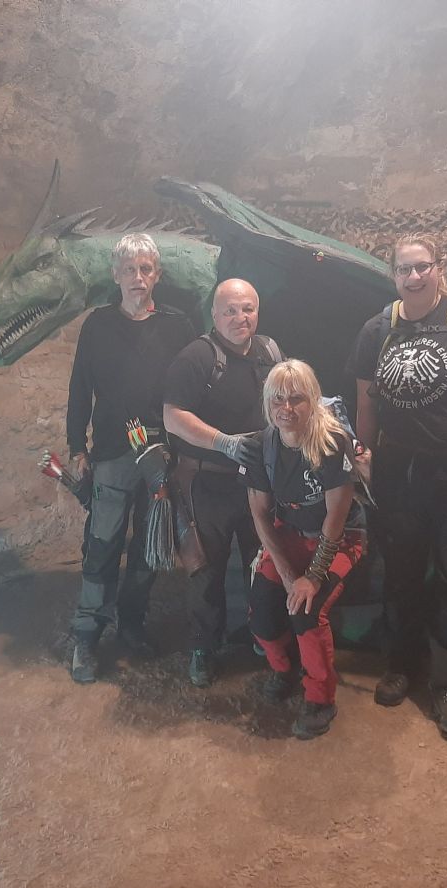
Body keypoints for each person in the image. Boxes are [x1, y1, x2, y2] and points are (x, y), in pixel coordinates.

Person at [347, 233, 447, 744]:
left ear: (439, 268)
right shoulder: (377, 329)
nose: (414, 277)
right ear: (393, 274)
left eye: (422, 267)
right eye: (404, 269)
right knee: (400, 572)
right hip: (397, 472)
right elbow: (366, 404)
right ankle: (401, 664)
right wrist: (363, 457)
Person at [66, 233, 196, 684]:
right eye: (129, 269)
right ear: (115, 275)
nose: (137, 277)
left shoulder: (179, 326)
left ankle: (132, 623)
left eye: (145, 269)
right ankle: (87, 634)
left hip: (160, 455)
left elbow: (191, 391)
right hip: (110, 453)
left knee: (149, 545)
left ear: (156, 274)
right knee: (101, 546)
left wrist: (189, 452)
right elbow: (80, 387)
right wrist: (77, 446)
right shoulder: (98, 325)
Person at [162, 278, 280, 687]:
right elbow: (172, 417)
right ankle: (204, 648)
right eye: (229, 310)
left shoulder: (269, 352)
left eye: (247, 309)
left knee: (261, 564)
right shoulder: (196, 357)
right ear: (214, 315)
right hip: (207, 484)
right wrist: (223, 443)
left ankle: (263, 636)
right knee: (206, 570)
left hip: (257, 481)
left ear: (257, 312)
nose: (239, 317)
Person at [243, 359, 364, 739]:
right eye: (278, 399)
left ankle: (320, 697)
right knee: (262, 607)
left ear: (312, 399)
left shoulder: (331, 442)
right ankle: (285, 669)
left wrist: (311, 577)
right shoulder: (260, 445)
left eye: (297, 398)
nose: (287, 408)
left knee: (307, 611)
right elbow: (260, 515)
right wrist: (285, 574)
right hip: (290, 533)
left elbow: (336, 518)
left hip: (339, 537)